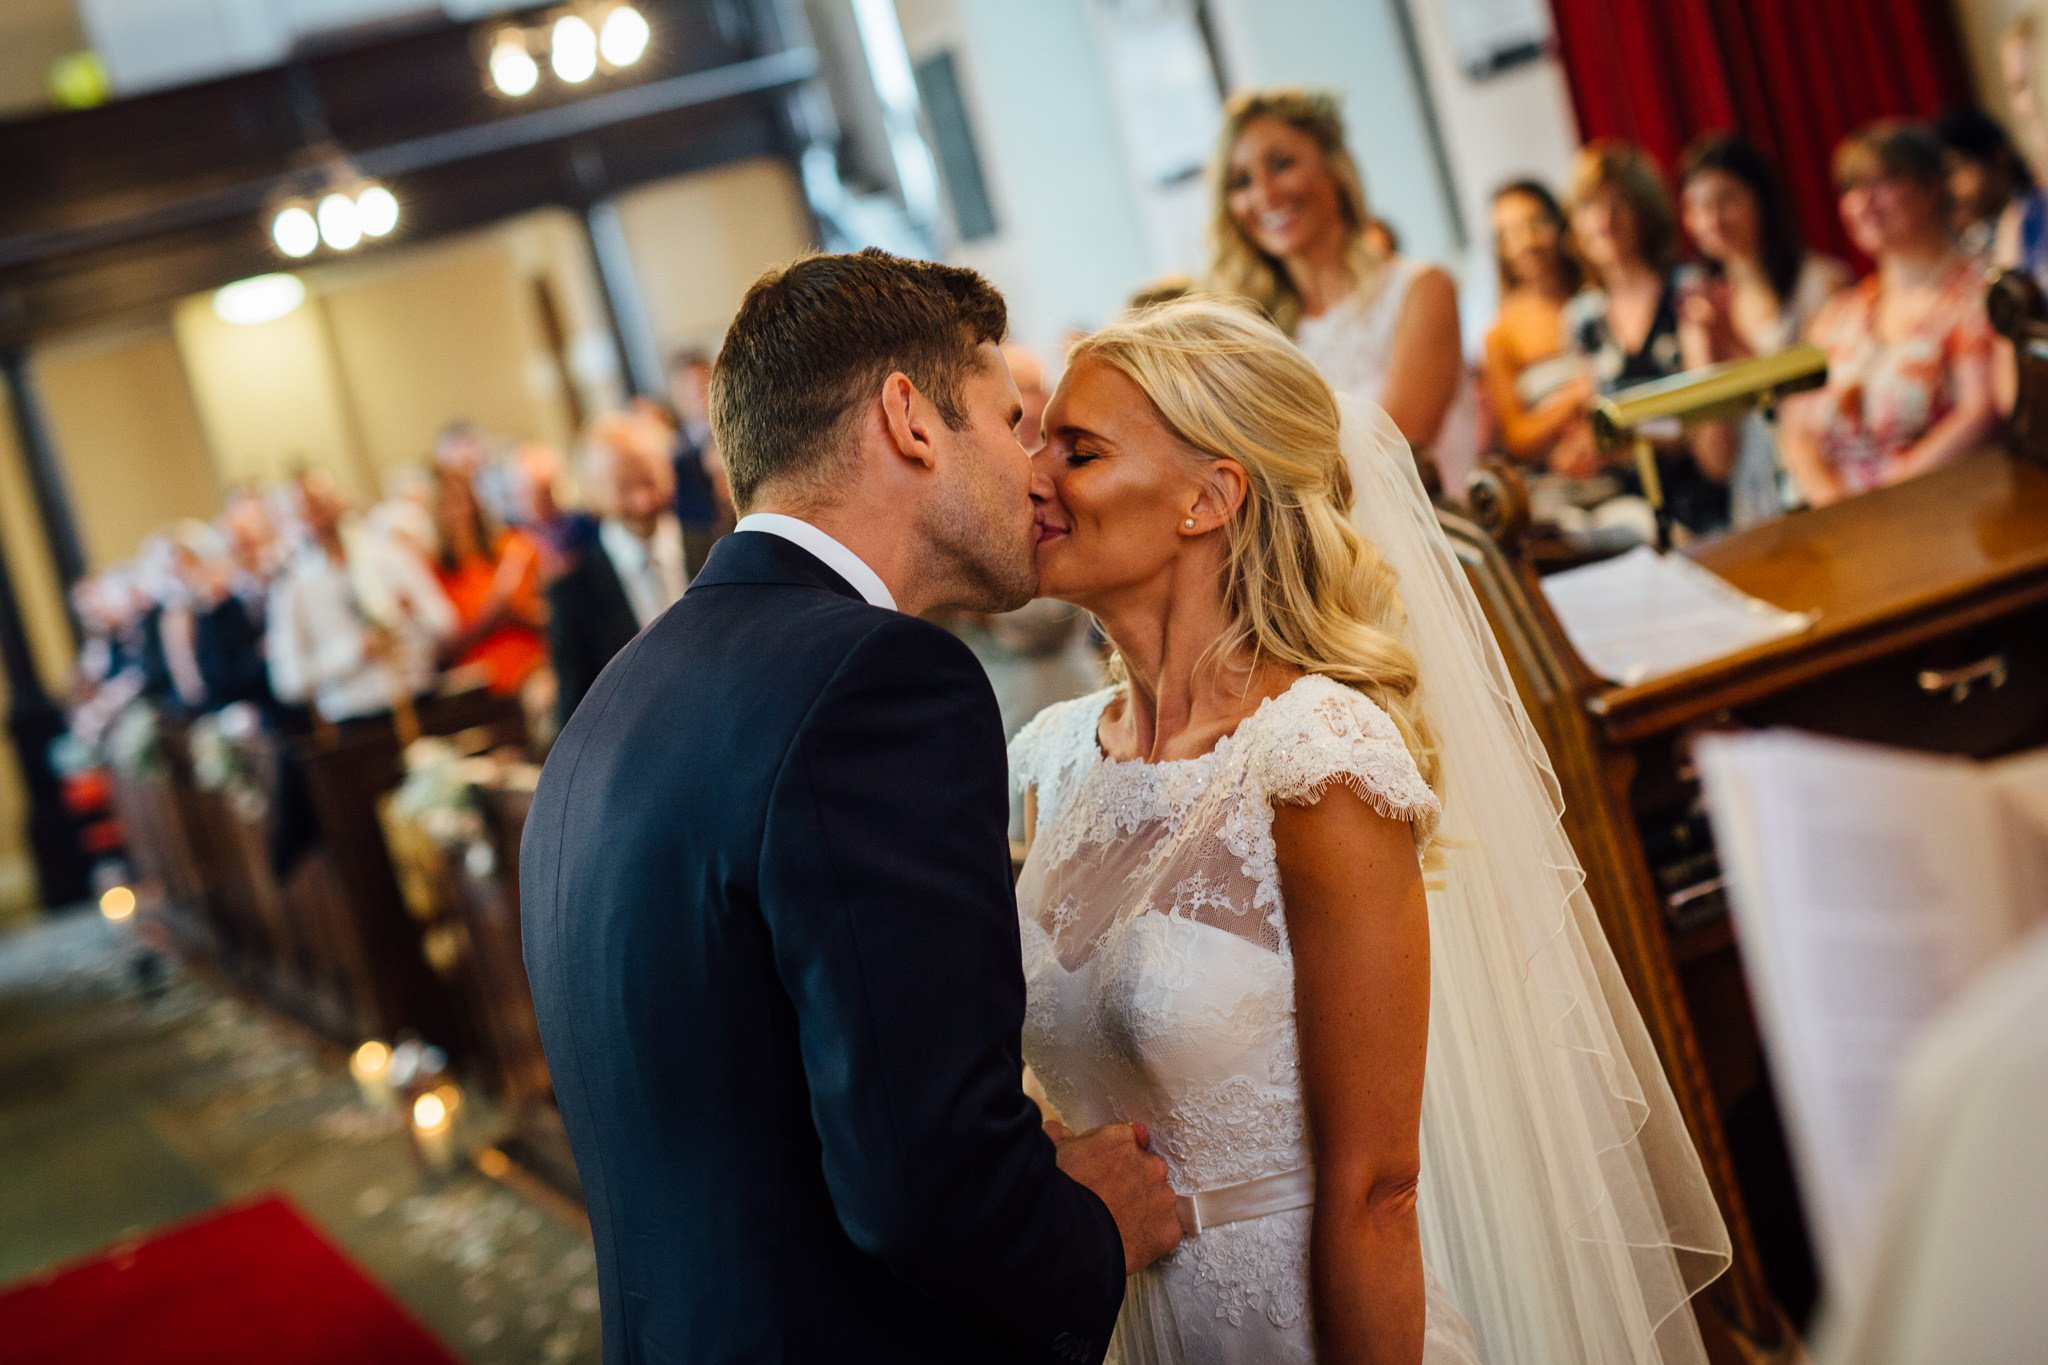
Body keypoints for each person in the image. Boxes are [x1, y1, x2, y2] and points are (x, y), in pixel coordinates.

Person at [1012, 298, 1729, 1362]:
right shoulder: (1048, 759)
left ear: (1208, 499)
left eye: (1075, 449)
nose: (1031, 475)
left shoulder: (1314, 755)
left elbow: (1376, 1188)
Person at [521, 248, 1181, 1365]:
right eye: (1006, 421)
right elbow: (921, 1172)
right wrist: (1088, 1233)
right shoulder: (878, 687)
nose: (1035, 474)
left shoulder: (616, 702)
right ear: (910, 420)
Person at [1207, 88, 1481, 500]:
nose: (1264, 194)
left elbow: (1394, 461)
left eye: (1281, 165)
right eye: (1241, 181)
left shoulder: (1420, 291)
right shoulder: (1258, 336)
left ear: (1334, 167)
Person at [1782, 123, 2001, 506]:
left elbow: (1981, 411)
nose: (1863, 202)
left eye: (1882, 181)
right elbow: (1797, 429)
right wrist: (1830, 501)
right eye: (1851, 188)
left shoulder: (1975, 295)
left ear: (1933, 186)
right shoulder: (1840, 313)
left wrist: (1883, 502)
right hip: (1846, 526)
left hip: (1950, 510)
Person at [1563, 139, 1735, 539]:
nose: (1603, 220)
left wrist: (1625, 438)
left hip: (1702, 506)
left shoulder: (1688, 291)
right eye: (1590, 207)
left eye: (1618, 203)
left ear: (1645, 211)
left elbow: (1708, 435)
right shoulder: (1581, 318)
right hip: (1629, 514)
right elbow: (1592, 423)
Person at [1676, 133, 1851, 526]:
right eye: (1697, 207)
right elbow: (1716, 463)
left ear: (1761, 200)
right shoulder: (1699, 313)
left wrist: (1731, 344)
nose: (1712, 220)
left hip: (1823, 483)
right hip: (1753, 502)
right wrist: (1709, 352)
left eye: (1727, 200)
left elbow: (1826, 406)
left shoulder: (1820, 283)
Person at [263, 468, 456, 725]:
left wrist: (411, 613)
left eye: (322, 499)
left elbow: (446, 622)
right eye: (308, 506)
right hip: (355, 717)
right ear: (296, 517)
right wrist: (354, 652)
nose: (319, 511)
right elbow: (289, 681)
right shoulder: (293, 588)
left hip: (419, 699)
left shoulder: (388, 553)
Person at [543, 412, 687, 724]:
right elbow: (575, 712)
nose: (642, 500)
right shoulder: (573, 591)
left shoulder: (718, 549)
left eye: (649, 480)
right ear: (592, 492)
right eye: (624, 487)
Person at [1479, 179, 1592, 467]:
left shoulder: (1598, 290)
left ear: (1558, 223)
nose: (1526, 242)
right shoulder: (1501, 333)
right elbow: (1517, 438)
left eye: (1536, 224)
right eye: (1509, 234)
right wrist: (1577, 395)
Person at [429, 467, 548, 696]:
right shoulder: (435, 571)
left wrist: (517, 615)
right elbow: (442, 648)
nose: (458, 513)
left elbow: (552, 615)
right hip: (478, 685)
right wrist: (489, 618)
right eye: (448, 505)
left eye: (463, 502)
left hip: (532, 665)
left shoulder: (513, 548)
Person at [664, 346, 733, 576]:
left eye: (702, 386)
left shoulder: (741, 434)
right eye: (689, 390)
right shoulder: (673, 455)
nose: (699, 397)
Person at [1936, 107, 2032, 259]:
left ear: (1999, 157)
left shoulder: (2037, 218)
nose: (1950, 188)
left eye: (1955, 170)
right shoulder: (1975, 242)